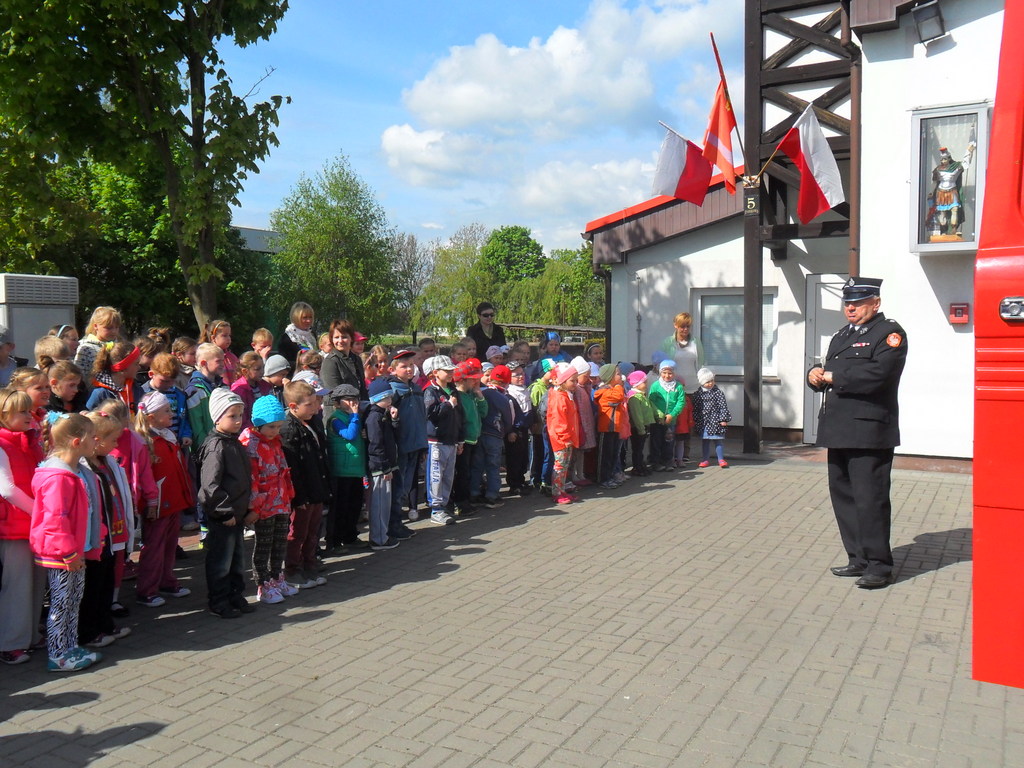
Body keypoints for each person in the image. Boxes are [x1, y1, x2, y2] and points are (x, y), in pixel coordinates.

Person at [807, 277, 908, 590]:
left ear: (875, 303)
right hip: (838, 429)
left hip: (869, 432)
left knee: (870, 500)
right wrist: (813, 375)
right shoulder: (842, 335)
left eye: (858, 302)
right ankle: (858, 559)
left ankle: (879, 566)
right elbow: (828, 371)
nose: (850, 308)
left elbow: (879, 375)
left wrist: (833, 376)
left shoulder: (889, 334)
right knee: (844, 498)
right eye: (847, 302)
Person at [30, 413, 102, 671]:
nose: (96, 441)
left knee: (73, 601)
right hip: (62, 555)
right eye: (92, 437)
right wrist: (68, 552)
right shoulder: (58, 478)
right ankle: (58, 654)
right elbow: (55, 521)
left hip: (76, 551)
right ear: (76, 442)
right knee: (61, 605)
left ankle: (70, 647)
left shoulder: (76, 472)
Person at [196, 389, 255, 617]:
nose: (238, 420)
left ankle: (235, 595)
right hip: (224, 517)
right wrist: (224, 512)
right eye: (232, 416)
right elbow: (210, 486)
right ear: (217, 417)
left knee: (237, 560)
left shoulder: (233, 441)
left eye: (240, 415)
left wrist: (246, 508)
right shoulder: (216, 446)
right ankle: (218, 601)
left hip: (237, 514)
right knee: (221, 561)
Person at [134, 391, 194, 606]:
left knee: (170, 546)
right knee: (154, 548)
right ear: (151, 417)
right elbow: (143, 477)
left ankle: (167, 581)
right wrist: (148, 502)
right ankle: (147, 589)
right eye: (166, 411)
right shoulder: (144, 442)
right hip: (157, 505)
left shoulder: (168, 436)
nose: (172, 414)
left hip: (173, 500)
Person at [0, 389, 45, 665]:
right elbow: (7, 489)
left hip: (34, 523)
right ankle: (10, 643)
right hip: (15, 526)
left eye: (30, 410)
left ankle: (29, 635)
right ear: (4, 415)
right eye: (22, 411)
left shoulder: (30, 439)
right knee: (17, 585)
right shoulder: (2, 443)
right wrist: (40, 511)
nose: (30, 415)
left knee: (36, 582)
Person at [239, 395, 296, 604]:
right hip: (263, 504)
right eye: (271, 427)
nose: (275, 431)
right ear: (259, 424)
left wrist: (288, 493)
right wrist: (254, 507)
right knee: (264, 544)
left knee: (280, 541)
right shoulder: (250, 444)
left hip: (280, 500)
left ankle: (276, 577)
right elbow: (251, 478)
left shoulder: (275, 441)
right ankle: (263, 584)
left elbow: (283, 468)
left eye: (279, 426)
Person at [279, 380, 332, 589]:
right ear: (293, 406)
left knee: (313, 531)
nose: (315, 407)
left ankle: (310, 565)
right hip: (302, 494)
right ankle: (292, 570)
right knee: (297, 533)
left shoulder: (312, 422)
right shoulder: (289, 430)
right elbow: (293, 469)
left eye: (315, 402)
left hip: (316, 487)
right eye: (309, 404)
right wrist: (299, 497)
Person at [657, 312, 704, 463]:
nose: (685, 329)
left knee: (687, 421)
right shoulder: (668, 342)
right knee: (672, 420)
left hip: (692, 388)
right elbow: (662, 365)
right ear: (675, 326)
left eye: (688, 326)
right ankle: (669, 454)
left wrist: (704, 382)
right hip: (673, 388)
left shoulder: (696, 342)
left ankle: (685, 454)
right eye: (682, 326)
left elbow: (701, 364)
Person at [423, 355, 462, 525]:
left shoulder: (453, 390)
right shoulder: (430, 391)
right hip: (436, 441)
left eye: (451, 370)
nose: (450, 373)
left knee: (448, 475)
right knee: (436, 475)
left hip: (451, 440)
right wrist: (448, 404)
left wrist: (460, 439)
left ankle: (444, 505)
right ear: (435, 373)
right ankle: (436, 508)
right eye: (446, 370)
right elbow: (431, 413)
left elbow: (459, 416)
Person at [365, 379, 400, 550]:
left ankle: (382, 534)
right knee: (379, 504)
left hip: (385, 465)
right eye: (387, 398)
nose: (390, 401)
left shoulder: (382, 415)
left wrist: (394, 420)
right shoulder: (374, 417)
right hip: (380, 468)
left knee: (385, 504)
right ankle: (379, 538)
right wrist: (385, 467)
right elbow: (376, 445)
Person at [547, 363, 581, 505]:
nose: (575, 383)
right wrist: (565, 437)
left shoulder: (566, 395)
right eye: (572, 380)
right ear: (562, 381)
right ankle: (557, 493)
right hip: (561, 439)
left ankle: (561, 490)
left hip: (567, 437)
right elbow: (559, 421)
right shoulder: (559, 398)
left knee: (564, 465)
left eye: (576, 380)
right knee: (560, 466)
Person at [693, 368, 731, 468]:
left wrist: (723, 419)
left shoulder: (718, 393)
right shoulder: (697, 394)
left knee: (718, 440)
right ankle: (705, 459)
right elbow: (696, 409)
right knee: (705, 441)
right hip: (704, 422)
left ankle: (721, 459)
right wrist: (695, 420)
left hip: (716, 421)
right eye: (707, 382)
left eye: (712, 381)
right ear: (702, 382)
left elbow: (723, 406)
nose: (710, 383)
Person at [321, 319, 367, 401]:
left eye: (344, 337)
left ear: (351, 338)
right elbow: (333, 393)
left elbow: (362, 388)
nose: (340, 341)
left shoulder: (357, 359)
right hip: (339, 407)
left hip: (358, 405)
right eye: (336, 337)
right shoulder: (330, 361)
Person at [278, 301, 317, 368]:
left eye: (310, 317)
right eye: (305, 317)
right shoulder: (288, 338)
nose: (308, 320)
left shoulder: (312, 335)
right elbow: (284, 363)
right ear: (296, 318)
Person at [201, 319, 238, 386]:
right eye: (224, 335)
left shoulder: (232, 357)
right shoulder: (209, 357)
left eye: (229, 335)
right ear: (213, 338)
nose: (228, 338)